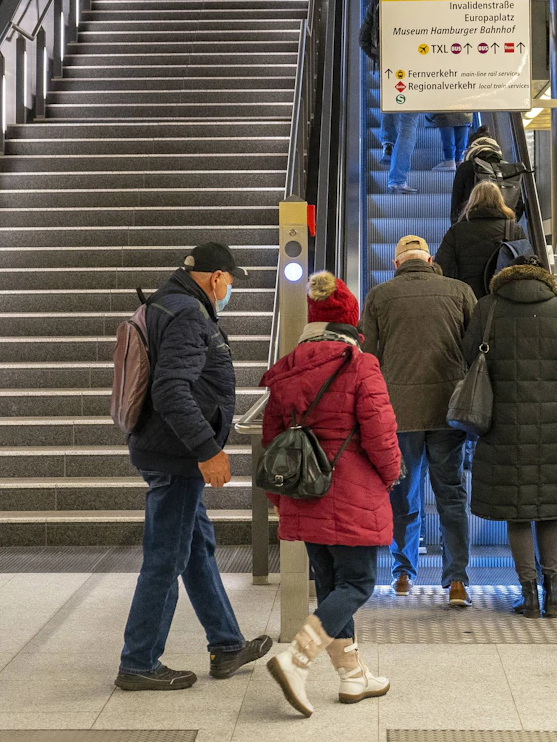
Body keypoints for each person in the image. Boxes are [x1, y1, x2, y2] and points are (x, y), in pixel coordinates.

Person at [117, 242, 273, 690]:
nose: (229, 289)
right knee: (166, 559)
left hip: (165, 448)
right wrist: (207, 449)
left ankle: (226, 645)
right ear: (215, 277)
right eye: (229, 280)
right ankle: (139, 661)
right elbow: (170, 390)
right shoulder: (187, 313)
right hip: (177, 454)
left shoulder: (164, 304)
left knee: (196, 550)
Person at [261, 275, 402, 716]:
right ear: (350, 323)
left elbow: (272, 437)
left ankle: (353, 676)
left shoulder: (289, 366)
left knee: (331, 587)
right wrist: (392, 473)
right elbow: (380, 432)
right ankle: (296, 660)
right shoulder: (360, 365)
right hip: (351, 491)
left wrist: (280, 497)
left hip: (305, 493)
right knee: (358, 583)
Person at [460, 253, 557, 619]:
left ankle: (527, 594)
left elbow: (469, 354)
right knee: (550, 511)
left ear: (504, 276)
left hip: (504, 420)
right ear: (543, 277)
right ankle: (554, 596)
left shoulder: (488, 307)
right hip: (553, 420)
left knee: (518, 511)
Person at [359, 239, 474, 605]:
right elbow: (475, 351)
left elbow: (368, 357)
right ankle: (456, 581)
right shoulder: (459, 292)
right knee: (451, 495)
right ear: (430, 260)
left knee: (402, 495)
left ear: (396, 263)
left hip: (398, 414)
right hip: (448, 413)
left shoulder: (380, 296)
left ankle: (404, 574)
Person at [359, 0, 425, 193]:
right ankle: (397, 179)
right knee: (408, 123)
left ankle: (387, 142)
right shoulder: (423, 1)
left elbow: (362, 38)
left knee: (390, 104)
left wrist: (378, 57)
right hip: (416, 68)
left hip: (388, 63)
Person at [435, 182, 522, 300]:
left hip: (467, 298)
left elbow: (442, 267)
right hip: (502, 299)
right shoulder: (513, 229)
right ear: (500, 200)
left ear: (472, 201)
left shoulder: (457, 231)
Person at [449, 130, 503, 223]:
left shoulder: (465, 167)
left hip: (469, 223)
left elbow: (456, 202)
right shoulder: (507, 168)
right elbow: (518, 205)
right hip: (502, 225)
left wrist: (456, 229)